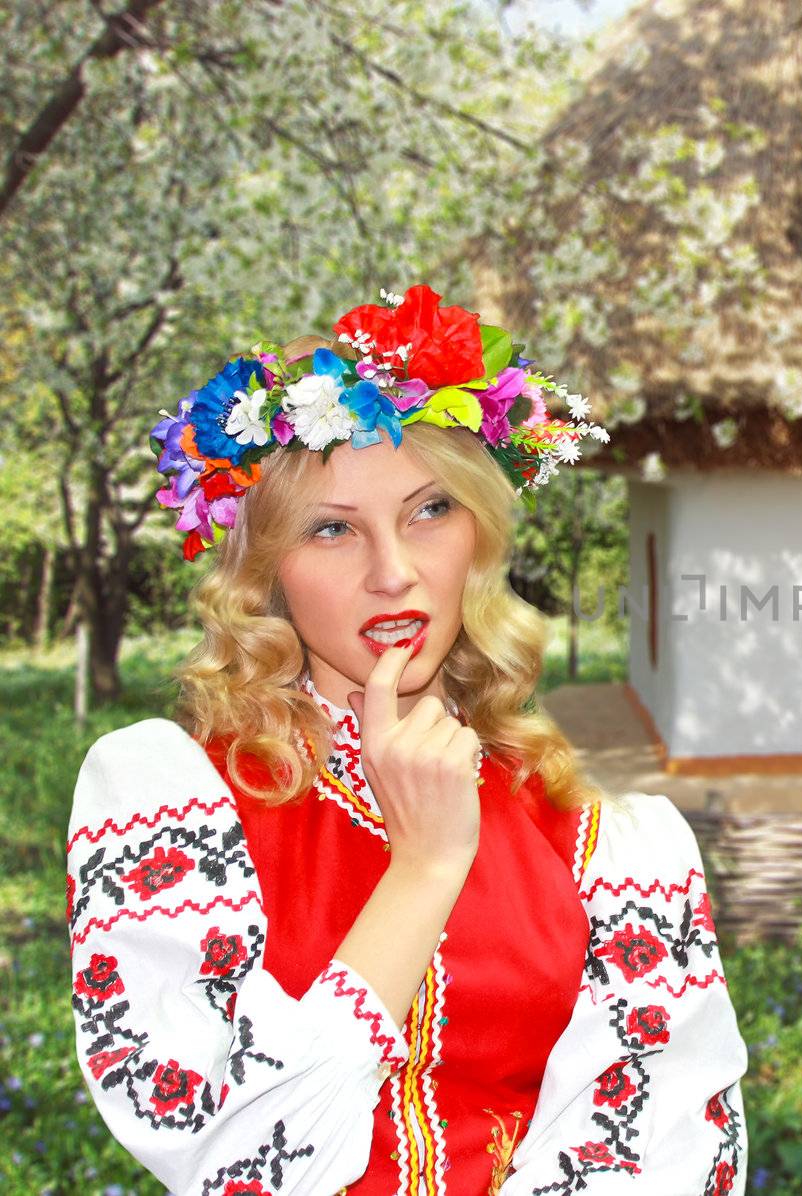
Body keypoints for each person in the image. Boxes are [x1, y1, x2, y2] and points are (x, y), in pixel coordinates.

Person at [64, 285, 749, 1195]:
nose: (395, 573)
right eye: (333, 529)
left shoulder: (603, 841)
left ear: (478, 533)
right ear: (267, 572)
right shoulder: (164, 798)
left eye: (431, 512)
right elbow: (233, 1156)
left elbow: (662, 1145)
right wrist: (425, 866)